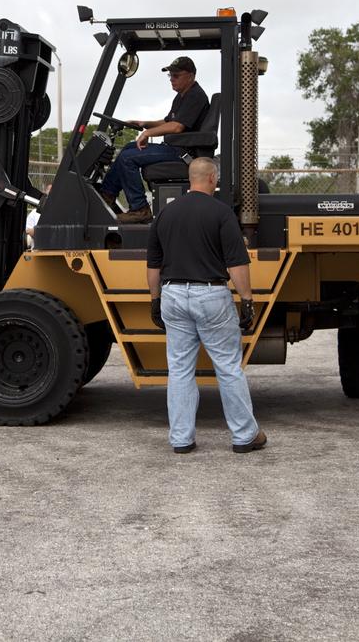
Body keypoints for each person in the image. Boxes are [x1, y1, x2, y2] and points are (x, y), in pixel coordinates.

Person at [146, 157, 264, 454]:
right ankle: (244, 436)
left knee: (180, 369)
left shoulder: (165, 214)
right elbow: (237, 263)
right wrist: (247, 300)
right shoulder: (222, 213)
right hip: (210, 295)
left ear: (190, 179)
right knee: (227, 367)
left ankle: (182, 439)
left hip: (172, 294)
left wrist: (154, 300)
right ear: (212, 178)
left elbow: (153, 265)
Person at [101, 55, 209, 224]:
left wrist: (147, 134)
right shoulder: (182, 96)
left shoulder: (195, 96)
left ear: (191, 75)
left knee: (128, 158)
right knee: (129, 148)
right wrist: (145, 124)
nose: (171, 79)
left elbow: (177, 127)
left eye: (176, 75)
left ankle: (139, 209)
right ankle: (106, 197)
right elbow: (168, 121)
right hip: (175, 148)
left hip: (183, 153)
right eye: (170, 75)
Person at [25, 183, 53, 248]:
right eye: (50, 191)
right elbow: (27, 231)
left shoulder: (61, 213)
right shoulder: (34, 213)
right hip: (38, 249)